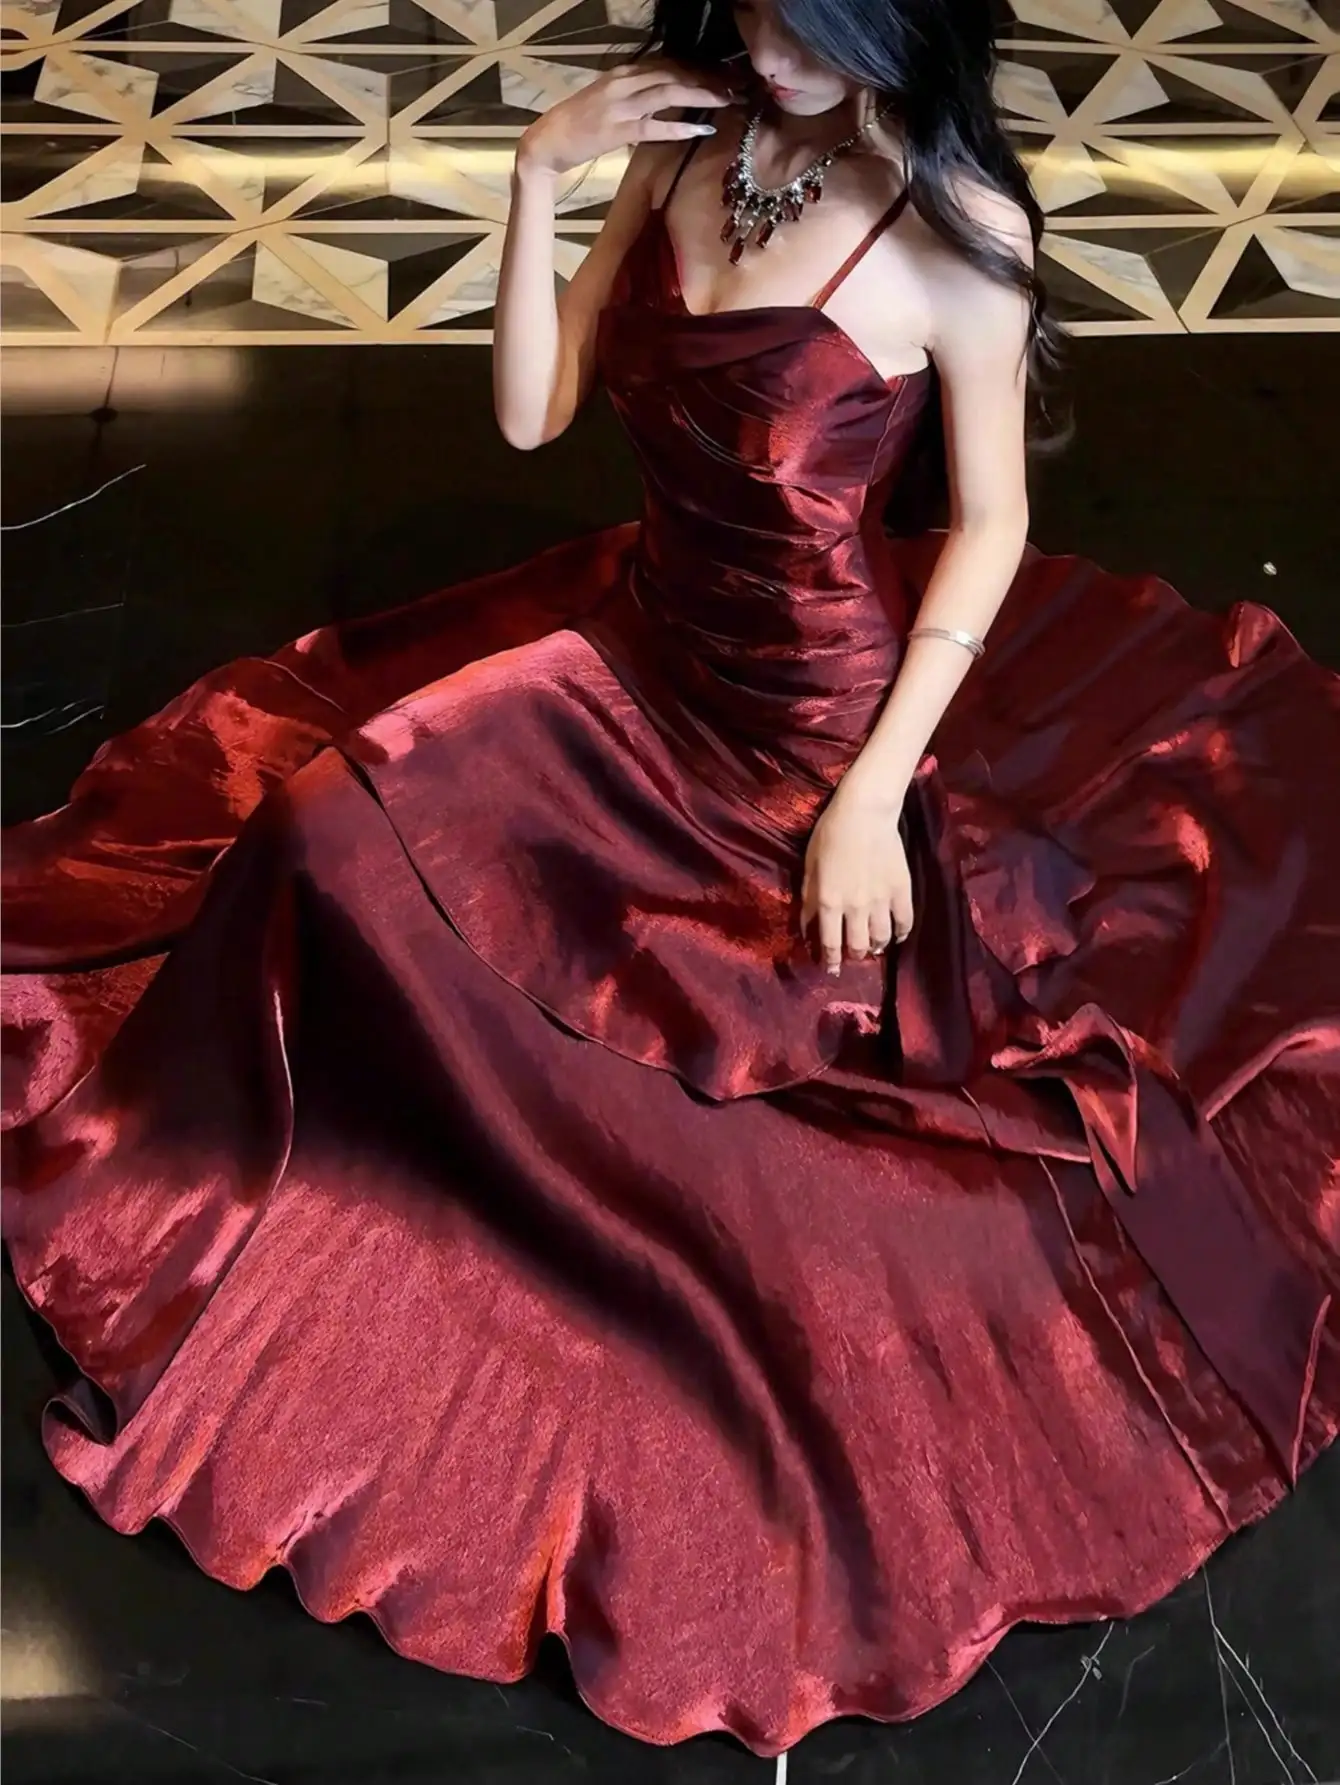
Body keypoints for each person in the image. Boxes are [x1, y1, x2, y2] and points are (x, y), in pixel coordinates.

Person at [3, 0, 1336, 1758]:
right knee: (319, 830)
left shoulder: (959, 230)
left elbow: (994, 526)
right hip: (636, 657)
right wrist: (536, 178)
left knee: (716, 1079)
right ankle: (254, 1164)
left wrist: (871, 801)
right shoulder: (688, 139)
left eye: (815, 9)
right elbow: (535, 416)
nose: (770, 35)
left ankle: (495, 1225)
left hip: (807, 733)